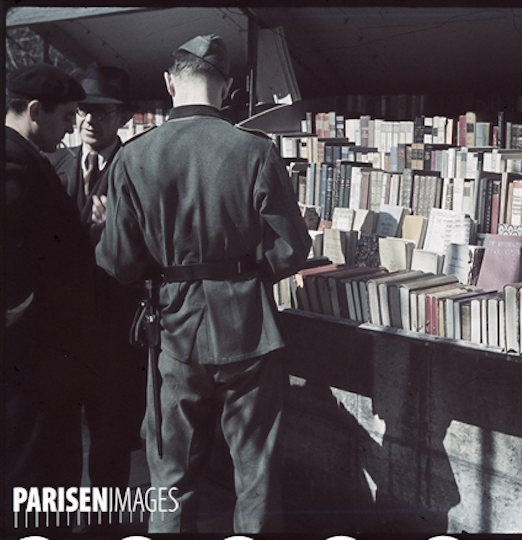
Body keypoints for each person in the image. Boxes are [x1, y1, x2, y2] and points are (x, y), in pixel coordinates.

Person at [94, 34, 312, 534]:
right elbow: (288, 251)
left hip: (173, 330)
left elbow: (119, 263)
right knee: (255, 473)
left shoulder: (134, 156)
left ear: (170, 82)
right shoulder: (255, 151)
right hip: (250, 330)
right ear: (228, 88)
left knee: (170, 474)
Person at [47, 64, 147, 525]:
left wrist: (116, 230)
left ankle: (105, 526)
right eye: (84, 110)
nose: (90, 120)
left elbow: (150, 248)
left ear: (123, 118)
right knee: (59, 431)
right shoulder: (54, 165)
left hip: (113, 325)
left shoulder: (138, 168)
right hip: (62, 326)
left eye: (103, 112)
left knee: (109, 433)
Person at [3, 63, 91, 533]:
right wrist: (17, 308)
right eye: (67, 117)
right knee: (34, 467)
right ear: (35, 112)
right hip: (33, 355)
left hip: (37, 353)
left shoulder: (24, 156)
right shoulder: (15, 162)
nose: (73, 127)